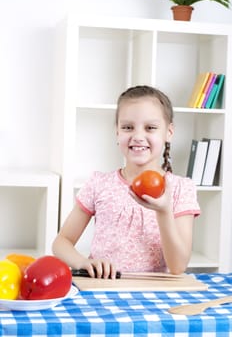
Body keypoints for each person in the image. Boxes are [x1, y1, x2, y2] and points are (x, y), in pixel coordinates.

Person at [52, 85, 200, 278]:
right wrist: (83, 262)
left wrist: (164, 211)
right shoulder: (99, 184)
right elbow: (62, 241)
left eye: (150, 128)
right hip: (102, 286)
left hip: (156, 293)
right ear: (117, 132)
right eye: (128, 127)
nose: (138, 136)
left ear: (168, 132)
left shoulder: (181, 189)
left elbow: (178, 266)